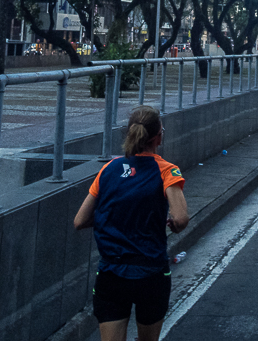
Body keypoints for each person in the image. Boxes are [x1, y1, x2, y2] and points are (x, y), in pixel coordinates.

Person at [74, 106, 188, 341]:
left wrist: (117, 216)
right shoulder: (167, 170)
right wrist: (173, 225)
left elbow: (80, 221)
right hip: (151, 272)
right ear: (158, 137)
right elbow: (180, 218)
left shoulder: (108, 169)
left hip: (111, 272)